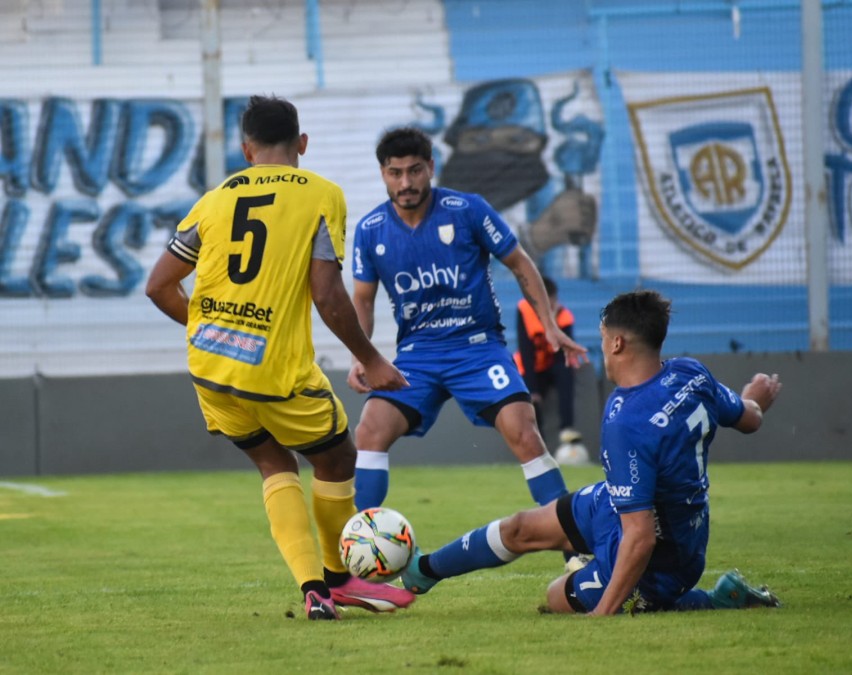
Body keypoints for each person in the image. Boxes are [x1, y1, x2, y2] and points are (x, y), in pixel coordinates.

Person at [145, 95, 415, 621]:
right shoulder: (321, 194)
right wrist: (372, 357)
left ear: (247, 149)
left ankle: (312, 589)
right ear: (303, 144)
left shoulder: (214, 199)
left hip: (209, 368)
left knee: (273, 462)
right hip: (276, 372)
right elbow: (328, 294)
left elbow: (158, 286)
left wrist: (212, 332)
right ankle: (340, 579)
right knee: (336, 458)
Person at [401, 289, 783, 615]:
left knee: (555, 596)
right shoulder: (690, 373)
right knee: (521, 526)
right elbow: (749, 418)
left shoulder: (626, 419)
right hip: (624, 507)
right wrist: (755, 398)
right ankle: (423, 570)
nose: (602, 346)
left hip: (663, 552)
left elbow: (642, 536)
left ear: (617, 343)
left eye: (602, 337)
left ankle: (712, 600)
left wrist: (603, 615)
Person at [348, 127, 589, 523]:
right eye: (395, 173)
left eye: (414, 171)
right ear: (383, 174)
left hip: (477, 348)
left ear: (431, 167)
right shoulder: (371, 229)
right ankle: (364, 550)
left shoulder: (467, 210)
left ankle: (574, 548)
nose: (405, 183)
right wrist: (362, 355)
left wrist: (548, 324)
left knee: (524, 432)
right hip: (417, 355)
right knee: (370, 430)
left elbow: (520, 263)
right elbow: (363, 300)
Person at [513, 275, 587, 463]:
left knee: (566, 370)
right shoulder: (525, 310)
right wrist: (533, 388)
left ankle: (567, 428)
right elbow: (525, 349)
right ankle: (539, 449)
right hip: (530, 367)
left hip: (550, 365)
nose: (552, 306)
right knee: (531, 399)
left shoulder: (564, 316)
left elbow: (563, 354)